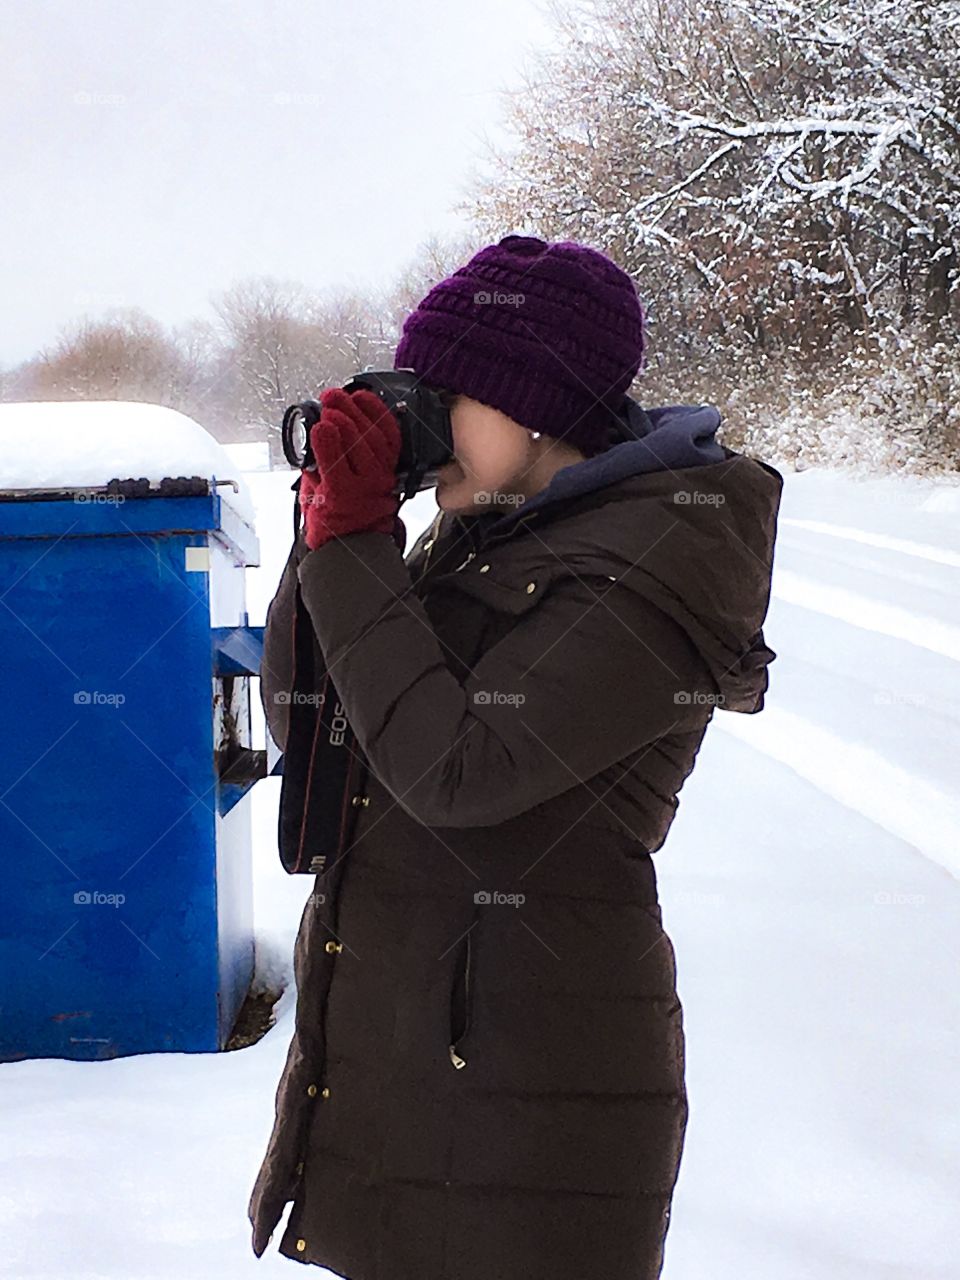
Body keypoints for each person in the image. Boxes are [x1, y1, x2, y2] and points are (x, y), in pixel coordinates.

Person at [248, 233, 783, 1279]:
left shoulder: (654, 560)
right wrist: (331, 531)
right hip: (410, 1066)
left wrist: (358, 552)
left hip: (531, 1103)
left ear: (534, 403)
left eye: (450, 394)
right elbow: (312, 721)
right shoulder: (488, 530)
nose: (428, 420)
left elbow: (460, 769)